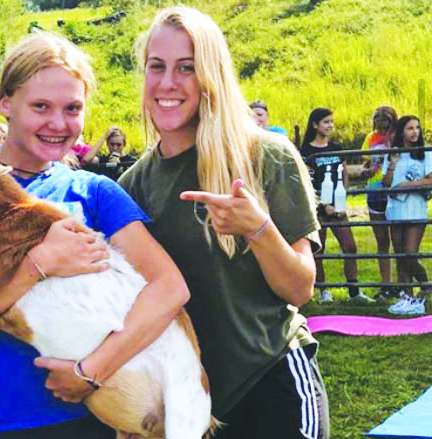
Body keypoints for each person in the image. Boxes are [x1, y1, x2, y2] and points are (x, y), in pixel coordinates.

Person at [0, 32, 189, 439]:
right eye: (40, 106)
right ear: (5, 105)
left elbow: (169, 288)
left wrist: (91, 372)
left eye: (72, 108)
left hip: (93, 415)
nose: (58, 123)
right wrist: (34, 269)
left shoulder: (94, 192)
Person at [118, 7, 329, 438]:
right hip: (188, 403)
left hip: (272, 381)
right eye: (156, 67)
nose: (167, 83)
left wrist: (259, 229)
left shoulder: (264, 156)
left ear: (210, 74)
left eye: (187, 68)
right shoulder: (131, 185)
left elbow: (300, 288)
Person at [300, 107, 371, 304]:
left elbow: (344, 174)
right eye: (326, 122)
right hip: (318, 210)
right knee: (318, 251)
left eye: (331, 121)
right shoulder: (306, 152)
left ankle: (354, 290)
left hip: (338, 207)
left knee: (350, 247)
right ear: (315, 125)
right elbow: (306, 183)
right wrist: (323, 207)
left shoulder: (338, 149)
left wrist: (341, 200)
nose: (330, 125)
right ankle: (323, 291)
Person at [383, 115, 432, 315]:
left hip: (416, 209)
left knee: (409, 254)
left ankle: (426, 284)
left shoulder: (426, 154)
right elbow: (386, 184)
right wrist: (393, 163)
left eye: (417, 128)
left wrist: (405, 185)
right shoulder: (393, 154)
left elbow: (429, 181)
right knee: (400, 255)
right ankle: (408, 297)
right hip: (395, 209)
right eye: (410, 128)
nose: (415, 132)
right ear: (401, 131)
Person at [360, 106, 398, 299]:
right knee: (382, 241)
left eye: (385, 119)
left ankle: (402, 284)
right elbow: (366, 163)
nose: (381, 123)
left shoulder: (398, 137)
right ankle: (386, 284)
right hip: (374, 190)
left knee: (399, 241)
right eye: (378, 119)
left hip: (394, 190)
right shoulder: (370, 138)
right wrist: (364, 170)